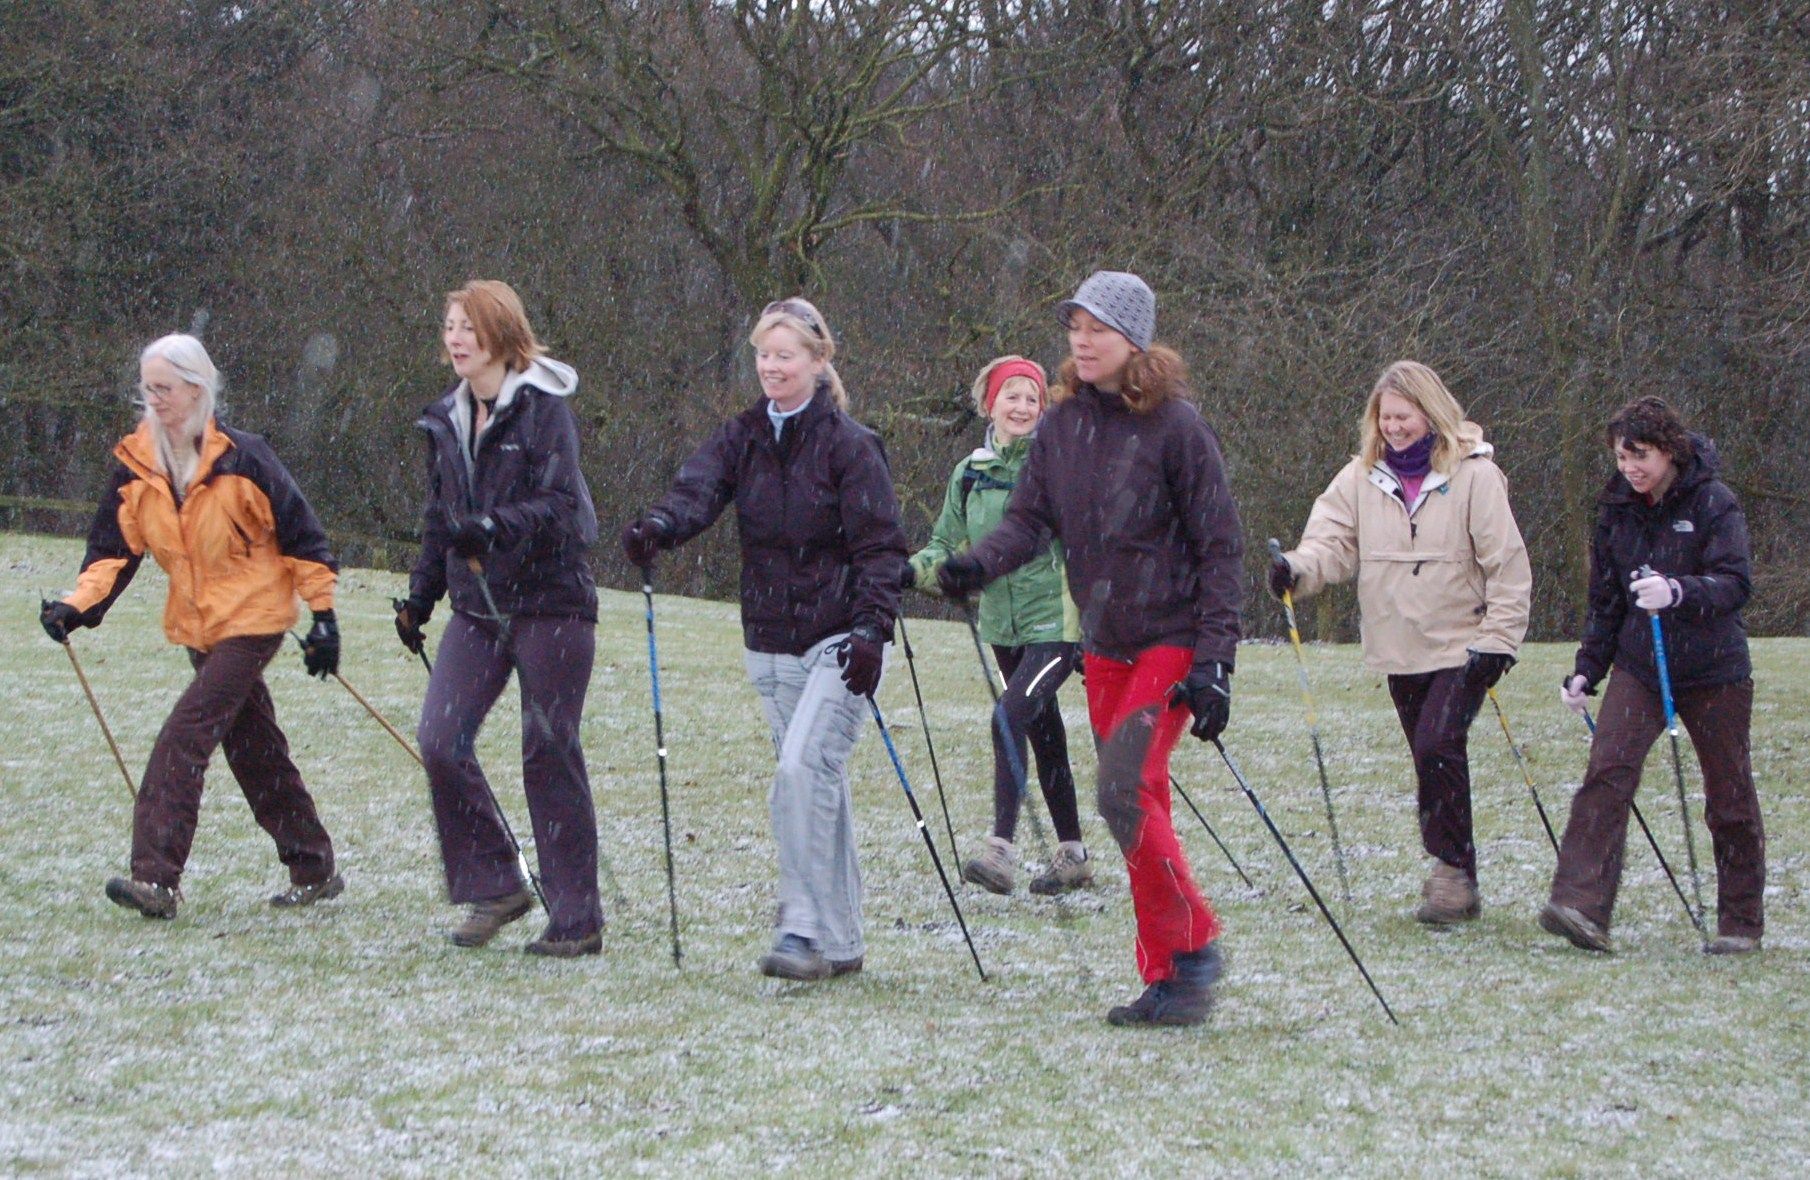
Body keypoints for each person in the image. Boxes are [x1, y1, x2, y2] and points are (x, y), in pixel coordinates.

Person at [940, 271, 1241, 1027]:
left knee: (1120, 791)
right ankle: (1169, 977)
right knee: (1136, 805)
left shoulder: (1177, 427)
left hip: (1171, 640)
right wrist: (976, 564)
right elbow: (1027, 521)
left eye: (1098, 327)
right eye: (1074, 323)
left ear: (1134, 338)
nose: (1081, 337)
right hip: (1104, 642)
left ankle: (1196, 945)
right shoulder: (1064, 425)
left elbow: (1220, 547)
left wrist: (1215, 662)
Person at [621, 297, 906, 982]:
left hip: (839, 639)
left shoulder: (849, 445)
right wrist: (659, 526)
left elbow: (880, 547)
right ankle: (839, 942)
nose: (772, 366)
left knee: (798, 772)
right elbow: (698, 490)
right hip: (769, 638)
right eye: (763, 355)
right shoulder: (743, 436)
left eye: (786, 355)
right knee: (813, 780)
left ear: (817, 361)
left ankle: (801, 927)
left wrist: (872, 628)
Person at [40, 333, 344, 920]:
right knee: (254, 747)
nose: (154, 400)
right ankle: (314, 866)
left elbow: (304, 538)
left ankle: (156, 879)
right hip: (199, 627)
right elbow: (111, 552)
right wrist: (75, 605)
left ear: (198, 389)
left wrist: (324, 617)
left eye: (166, 389)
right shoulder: (137, 464)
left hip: (254, 619)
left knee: (185, 735)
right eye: (147, 389)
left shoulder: (245, 458)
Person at [1270, 360, 1531, 926]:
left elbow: (1507, 565)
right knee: (1428, 756)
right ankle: (1457, 870)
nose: (1394, 428)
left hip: (1464, 644)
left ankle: (1451, 873)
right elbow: (1331, 542)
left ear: (1430, 412)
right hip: (1398, 645)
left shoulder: (1474, 476)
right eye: (1385, 417)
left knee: (1439, 744)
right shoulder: (1360, 476)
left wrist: (1499, 640)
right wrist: (1295, 568)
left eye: (1404, 416)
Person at [393, 280, 604, 957]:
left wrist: (495, 526)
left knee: (547, 752)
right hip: (476, 610)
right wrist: (420, 598)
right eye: (449, 326)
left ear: (501, 335)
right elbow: (438, 520)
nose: (455, 339)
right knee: (439, 736)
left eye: (468, 328)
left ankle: (576, 919)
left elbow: (562, 507)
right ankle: (496, 884)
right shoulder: (446, 419)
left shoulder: (544, 412)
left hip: (553, 604)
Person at [1540, 395, 1764, 955]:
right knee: (1607, 772)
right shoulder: (1615, 509)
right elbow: (1606, 601)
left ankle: (1740, 924)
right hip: (1641, 663)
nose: (1629, 468)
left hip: (1715, 670)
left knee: (1729, 795)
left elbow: (1736, 583)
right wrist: (1586, 671)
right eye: (1621, 458)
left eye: (1639, 456)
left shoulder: (1715, 502)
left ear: (1669, 450)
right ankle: (1579, 906)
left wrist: (1680, 592)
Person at [904, 355, 1091, 896]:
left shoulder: (1055, 463)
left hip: (1056, 623)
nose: (1023, 406)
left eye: (1032, 397)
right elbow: (945, 544)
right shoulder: (971, 473)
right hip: (1001, 626)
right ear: (990, 403)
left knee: (1009, 716)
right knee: (1043, 730)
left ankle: (1000, 853)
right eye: (1012, 395)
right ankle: (1073, 854)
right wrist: (910, 570)